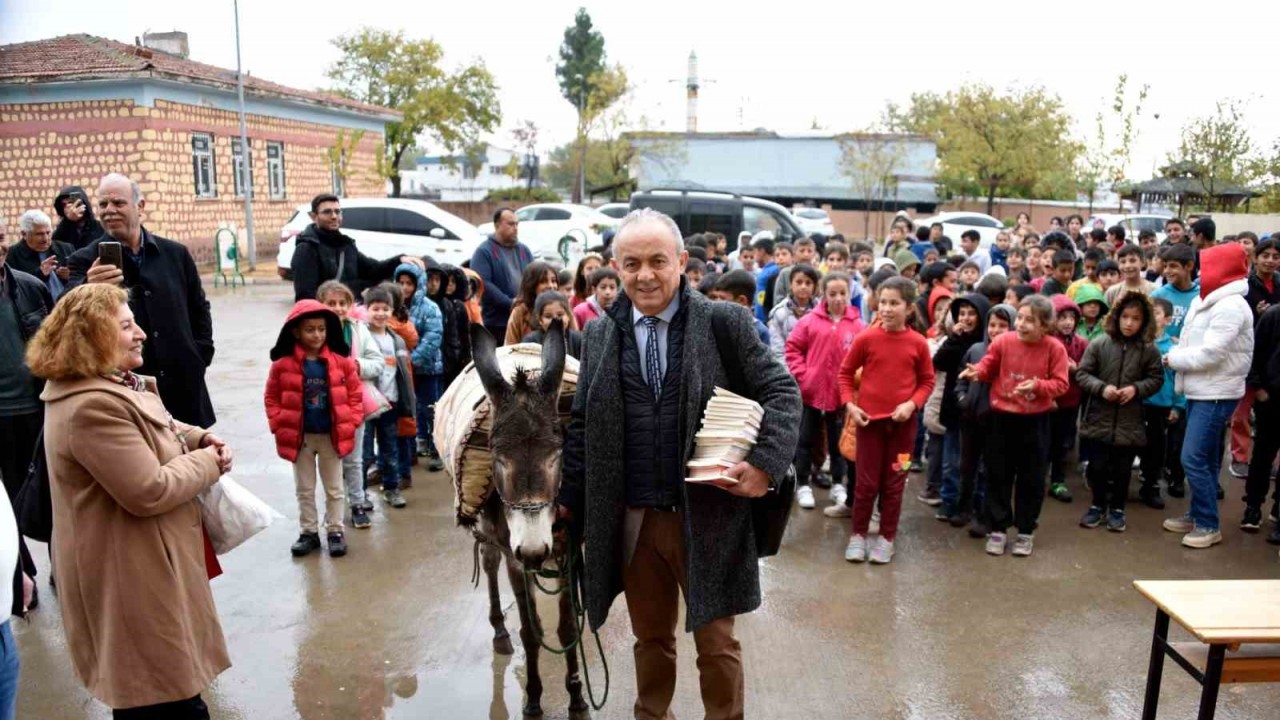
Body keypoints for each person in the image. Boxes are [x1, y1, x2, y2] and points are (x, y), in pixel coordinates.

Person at [558, 208, 801, 720]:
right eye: (631, 263)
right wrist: (568, 506)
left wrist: (764, 464)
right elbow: (581, 426)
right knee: (651, 640)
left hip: (708, 517)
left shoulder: (723, 323)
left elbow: (782, 392)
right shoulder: (600, 335)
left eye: (657, 261)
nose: (644, 275)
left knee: (716, 643)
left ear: (682, 262)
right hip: (634, 522)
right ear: (615, 267)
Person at [29, 283, 233, 717]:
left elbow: (154, 428)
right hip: (129, 578)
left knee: (170, 690)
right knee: (158, 697)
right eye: (126, 326)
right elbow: (149, 488)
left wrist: (198, 436)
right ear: (93, 338)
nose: (140, 333)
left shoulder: (109, 385)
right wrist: (208, 462)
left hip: (141, 563)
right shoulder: (90, 407)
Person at [66, 173, 216, 427]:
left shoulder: (175, 254)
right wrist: (87, 287)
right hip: (126, 388)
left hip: (184, 386)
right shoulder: (85, 260)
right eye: (103, 205)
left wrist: (200, 354)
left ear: (140, 206)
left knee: (196, 460)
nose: (109, 210)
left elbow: (198, 309)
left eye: (118, 203)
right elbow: (64, 314)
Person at [958, 295, 1069, 558]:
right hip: (1001, 418)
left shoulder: (1055, 348)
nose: (1021, 324)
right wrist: (978, 372)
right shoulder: (1003, 341)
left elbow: (1061, 384)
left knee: (1031, 478)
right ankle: (997, 529)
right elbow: (989, 365)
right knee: (998, 475)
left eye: (1030, 320)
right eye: (1019, 317)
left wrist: (1039, 386)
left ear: (1045, 325)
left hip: (1036, 420)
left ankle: (1025, 531)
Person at [1162, 243, 1254, 549]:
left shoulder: (1229, 306)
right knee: (1207, 456)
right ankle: (1199, 512)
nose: (1202, 271)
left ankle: (1207, 524)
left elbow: (1212, 353)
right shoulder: (1213, 300)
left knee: (1193, 457)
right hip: (1203, 389)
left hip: (1215, 392)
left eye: (1207, 265)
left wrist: (1173, 358)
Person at [838, 277, 934, 563]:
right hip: (869, 426)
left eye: (895, 303)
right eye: (883, 302)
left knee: (894, 484)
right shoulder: (866, 338)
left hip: (903, 429)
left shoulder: (918, 343)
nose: (888, 309)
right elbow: (845, 374)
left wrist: (911, 404)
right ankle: (857, 535)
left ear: (909, 307)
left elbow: (927, 382)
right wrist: (850, 407)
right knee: (865, 485)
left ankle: (886, 537)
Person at [265, 300, 362, 558]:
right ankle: (308, 532)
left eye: (321, 329)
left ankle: (335, 530)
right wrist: (277, 422)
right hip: (301, 438)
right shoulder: (283, 365)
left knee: (334, 488)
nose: (317, 334)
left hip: (331, 436)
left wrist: (351, 421)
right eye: (310, 329)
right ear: (296, 331)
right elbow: (271, 396)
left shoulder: (342, 362)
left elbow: (355, 395)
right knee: (304, 488)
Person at [1076, 293, 1164, 533]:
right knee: (1097, 467)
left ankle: (1117, 508)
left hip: (1130, 420)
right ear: (1116, 317)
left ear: (1144, 322)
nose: (1129, 323)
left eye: (1135, 318)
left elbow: (1156, 378)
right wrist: (1102, 388)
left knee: (1123, 469)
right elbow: (1082, 374)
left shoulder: (1149, 350)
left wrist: (1136, 389)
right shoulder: (1100, 344)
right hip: (1098, 418)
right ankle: (1096, 505)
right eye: (1125, 317)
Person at [785, 272, 863, 511]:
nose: (838, 298)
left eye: (842, 293)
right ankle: (803, 484)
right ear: (824, 295)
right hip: (811, 392)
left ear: (849, 294)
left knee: (839, 442)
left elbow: (864, 358)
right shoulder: (810, 321)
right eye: (832, 294)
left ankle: (839, 483)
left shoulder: (858, 325)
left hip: (842, 396)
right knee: (805, 439)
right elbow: (793, 348)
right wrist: (803, 375)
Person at [317, 281, 382, 529]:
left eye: (342, 303)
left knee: (354, 460)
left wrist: (356, 366)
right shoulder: (314, 330)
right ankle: (333, 510)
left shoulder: (358, 330)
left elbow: (376, 363)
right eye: (331, 303)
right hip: (323, 407)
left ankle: (357, 503)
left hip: (353, 404)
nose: (337, 308)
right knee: (329, 461)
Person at [289, 194, 423, 302]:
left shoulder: (346, 246)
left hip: (351, 316)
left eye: (337, 211)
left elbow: (373, 270)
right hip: (327, 320)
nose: (334, 216)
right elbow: (305, 296)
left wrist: (400, 260)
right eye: (327, 212)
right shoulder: (306, 249)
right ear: (314, 217)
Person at [953, 303, 1015, 535]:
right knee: (967, 467)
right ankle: (963, 510)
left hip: (997, 421)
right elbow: (961, 378)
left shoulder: (1014, 353)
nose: (996, 330)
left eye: (1002, 325)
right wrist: (962, 398)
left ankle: (985, 516)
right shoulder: (976, 350)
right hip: (971, 418)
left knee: (991, 471)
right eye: (992, 325)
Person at [0, 241, 52, 503]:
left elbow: (56, 344)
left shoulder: (32, 287)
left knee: (36, 492)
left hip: (32, 409)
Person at [932, 292, 990, 522]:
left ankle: (974, 502)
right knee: (951, 462)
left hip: (977, 412)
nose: (965, 318)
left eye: (971, 313)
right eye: (961, 313)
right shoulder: (953, 340)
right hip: (953, 410)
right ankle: (948, 500)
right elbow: (938, 363)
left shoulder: (986, 344)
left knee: (975, 463)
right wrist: (953, 339)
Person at [361, 285, 413, 509]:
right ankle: (359, 493)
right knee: (363, 452)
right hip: (365, 404)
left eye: (385, 308)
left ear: (392, 311)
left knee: (389, 448)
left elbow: (403, 373)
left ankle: (391, 488)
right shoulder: (361, 335)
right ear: (366, 310)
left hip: (390, 403)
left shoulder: (396, 341)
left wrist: (407, 401)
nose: (380, 313)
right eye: (375, 308)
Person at [394, 263, 444, 472]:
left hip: (426, 369)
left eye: (409, 283)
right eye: (401, 283)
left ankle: (436, 450)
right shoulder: (392, 307)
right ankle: (410, 450)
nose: (405, 287)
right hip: (403, 372)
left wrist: (411, 362)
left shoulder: (430, 308)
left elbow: (432, 339)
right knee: (407, 411)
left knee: (430, 410)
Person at [1139, 297, 1185, 511]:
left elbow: (1179, 379)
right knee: (1129, 443)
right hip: (1137, 403)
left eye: (1156, 313)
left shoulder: (1174, 348)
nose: (1151, 317)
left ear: (1167, 319)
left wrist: (1177, 406)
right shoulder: (1138, 343)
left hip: (1161, 404)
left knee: (1156, 449)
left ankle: (1151, 485)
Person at [1045, 295, 1088, 504]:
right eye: (1062, 317)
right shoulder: (1045, 342)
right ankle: (1036, 478)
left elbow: (1087, 373)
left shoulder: (1081, 344)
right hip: (1046, 403)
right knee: (1042, 441)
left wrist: (1075, 369)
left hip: (1070, 402)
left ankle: (1057, 480)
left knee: (1062, 443)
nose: (1067, 322)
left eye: (1071, 317)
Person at [1244, 302, 1280, 541]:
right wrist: (1257, 388)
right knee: (1263, 455)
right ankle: (1253, 506)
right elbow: (1254, 353)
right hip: (1271, 398)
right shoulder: (1273, 315)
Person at [471, 207, 534, 343]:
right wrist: (509, 302)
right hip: (496, 323)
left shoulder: (524, 250)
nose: (515, 228)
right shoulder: (484, 251)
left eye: (517, 224)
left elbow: (535, 277)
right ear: (497, 225)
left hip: (523, 320)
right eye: (511, 224)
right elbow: (484, 284)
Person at [6, 210, 73, 301]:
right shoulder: (11, 255)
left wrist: (72, 276)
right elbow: (13, 289)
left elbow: (82, 279)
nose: (45, 239)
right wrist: (39, 274)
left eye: (48, 233)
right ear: (24, 234)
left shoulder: (65, 248)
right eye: (39, 234)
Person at [768, 264, 820, 362]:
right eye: (799, 282)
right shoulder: (779, 313)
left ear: (814, 287)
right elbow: (778, 352)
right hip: (789, 369)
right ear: (791, 284)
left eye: (808, 283)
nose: (803, 287)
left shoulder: (823, 311)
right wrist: (790, 374)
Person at [504, 261, 560, 346]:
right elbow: (510, 346)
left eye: (553, 281)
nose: (551, 286)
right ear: (532, 285)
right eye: (543, 281)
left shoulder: (563, 308)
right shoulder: (520, 312)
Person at [711, 269, 771, 345]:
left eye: (723, 298)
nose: (717, 302)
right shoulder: (718, 326)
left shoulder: (759, 332)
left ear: (742, 301)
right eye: (716, 298)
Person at [521, 290, 584, 358]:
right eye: (548, 316)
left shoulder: (578, 339)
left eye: (560, 315)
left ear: (568, 316)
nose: (555, 320)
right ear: (540, 319)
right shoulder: (531, 342)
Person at [50, 185, 105, 251]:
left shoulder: (100, 228)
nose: (68, 207)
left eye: (71, 202)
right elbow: (54, 245)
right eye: (64, 204)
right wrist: (69, 221)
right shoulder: (62, 230)